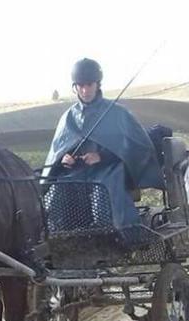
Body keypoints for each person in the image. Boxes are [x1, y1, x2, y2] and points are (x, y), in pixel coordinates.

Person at [43, 58, 163, 229]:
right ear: (74, 87)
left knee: (103, 196)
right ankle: (66, 236)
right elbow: (58, 152)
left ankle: (117, 233)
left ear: (98, 84)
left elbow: (136, 147)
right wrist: (65, 160)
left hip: (109, 170)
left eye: (89, 84)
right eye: (80, 85)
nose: (85, 90)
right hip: (78, 172)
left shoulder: (117, 113)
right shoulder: (68, 117)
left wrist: (101, 156)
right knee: (58, 193)